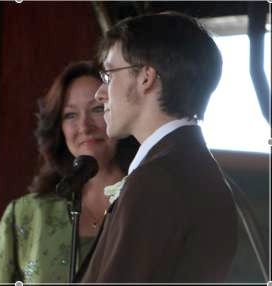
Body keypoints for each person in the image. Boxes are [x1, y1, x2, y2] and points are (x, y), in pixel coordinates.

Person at [76, 12, 238, 283]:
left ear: (146, 77)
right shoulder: (196, 171)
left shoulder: (157, 180)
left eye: (108, 75)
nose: (100, 94)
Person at [0, 61, 139, 283]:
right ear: (58, 128)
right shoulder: (26, 214)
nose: (84, 126)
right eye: (70, 115)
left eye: (98, 109)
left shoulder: (148, 204)